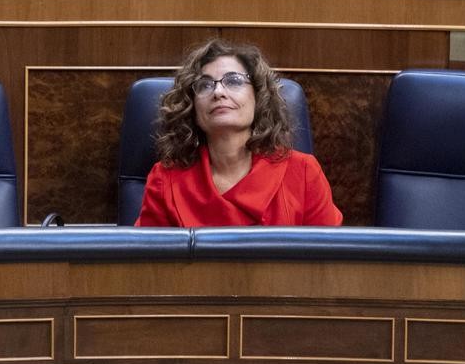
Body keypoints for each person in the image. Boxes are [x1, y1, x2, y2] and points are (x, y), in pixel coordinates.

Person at [135, 39, 343, 227]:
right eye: (204, 85)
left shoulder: (303, 172)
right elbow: (150, 264)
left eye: (234, 81)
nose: (218, 92)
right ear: (192, 106)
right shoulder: (165, 178)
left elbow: (327, 261)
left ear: (259, 96)